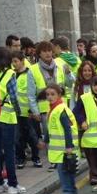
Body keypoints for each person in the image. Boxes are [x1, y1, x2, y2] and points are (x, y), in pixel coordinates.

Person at [28, 41, 74, 170]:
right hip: (44, 108)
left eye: (49, 50)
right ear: (39, 54)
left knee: (64, 130)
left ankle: (66, 154)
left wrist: (69, 74)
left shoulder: (61, 64)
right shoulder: (33, 69)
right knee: (49, 132)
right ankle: (54, 159)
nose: (47, 53)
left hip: (61, 106)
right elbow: (31, 94)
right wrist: (35, 111)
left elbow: (70, 84)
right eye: (44, 51)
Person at [0, 46, 26, 194]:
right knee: (10, 152)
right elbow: (14, 96)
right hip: (7, 117)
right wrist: (18, 111)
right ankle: (12, 185)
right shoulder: (10, 73)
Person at [39, 83, 79, 194]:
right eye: (47, 95)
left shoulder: (60, 110)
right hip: (61, 147)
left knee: (64, 172)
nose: (49, 97)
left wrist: (69, 147)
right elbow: (51, 129)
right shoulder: (53, 109)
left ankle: (67, 193)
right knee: (68, 170)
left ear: (59, 95)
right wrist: (45, 141)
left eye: (52, 94)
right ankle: (72, 191)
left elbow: (67, 129)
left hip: (64, 148)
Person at [11, 52, 41, 169]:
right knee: (18, 138)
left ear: (22, 61)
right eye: (12, 62)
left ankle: (36, 158)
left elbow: (33, 93)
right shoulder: (12, 75)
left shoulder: (30, 74)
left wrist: (33, 110)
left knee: (33, 136)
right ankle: (20, 159)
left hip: (28, 113)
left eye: (16, 61)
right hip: (16, 113)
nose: (14, 64)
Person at [73, 61, 97, 185]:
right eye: (84, 71)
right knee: (88, 149)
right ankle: (93, 173)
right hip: (83, 121)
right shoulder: (78, 86)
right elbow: (75, 105)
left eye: (89, 70)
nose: (87, 73)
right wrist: (80, 120)